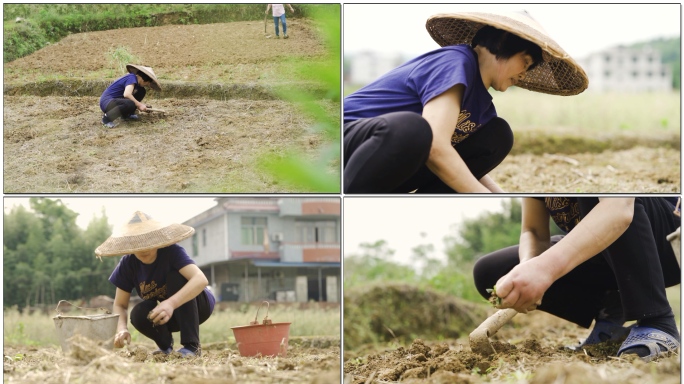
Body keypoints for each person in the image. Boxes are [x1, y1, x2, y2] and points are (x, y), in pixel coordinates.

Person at [343, 11, 588, 193]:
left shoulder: (481, 107)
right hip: (353, 140)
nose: (524, 74)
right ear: (502, 43)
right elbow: (436, 146)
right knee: (414, 129)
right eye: (525, 62)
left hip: (396, 162)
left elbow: (461, 164)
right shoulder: (455, 62)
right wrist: (481, 197)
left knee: (498, 135)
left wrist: (498, 197)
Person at [473, 197, 681, 361]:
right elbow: (534, 231)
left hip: (668, 242)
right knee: (491, 271)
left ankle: (657, 320)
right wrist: (527, 266)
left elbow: (619, 210)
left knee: (597, 196)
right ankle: (611, 312)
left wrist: (544, 269)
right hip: (608, 255)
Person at [95, 211, 215, 358]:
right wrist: (121, 328)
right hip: (167, 315)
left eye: (148, 241)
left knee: (176, 277)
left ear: (156, 238)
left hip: (198, 306)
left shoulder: (172, 252)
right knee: (138, 313)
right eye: (138, 243)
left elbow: (200, 280)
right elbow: (120, 305)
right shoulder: (128, 264)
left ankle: (192, 346)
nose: (144, 249)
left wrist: (171, 303)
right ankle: (165, 347)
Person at [99, 64, 161, 128]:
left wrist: (141, 105)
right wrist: (139, 105)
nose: (146, 85)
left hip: (117, 101)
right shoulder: (131, 78)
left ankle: (127, 114)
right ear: (143, 80)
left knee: (141, 91)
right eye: (147, 83)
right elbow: (127, 94)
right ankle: (106, 119)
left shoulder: (136, 84)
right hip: (107, 102)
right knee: (130, 103)